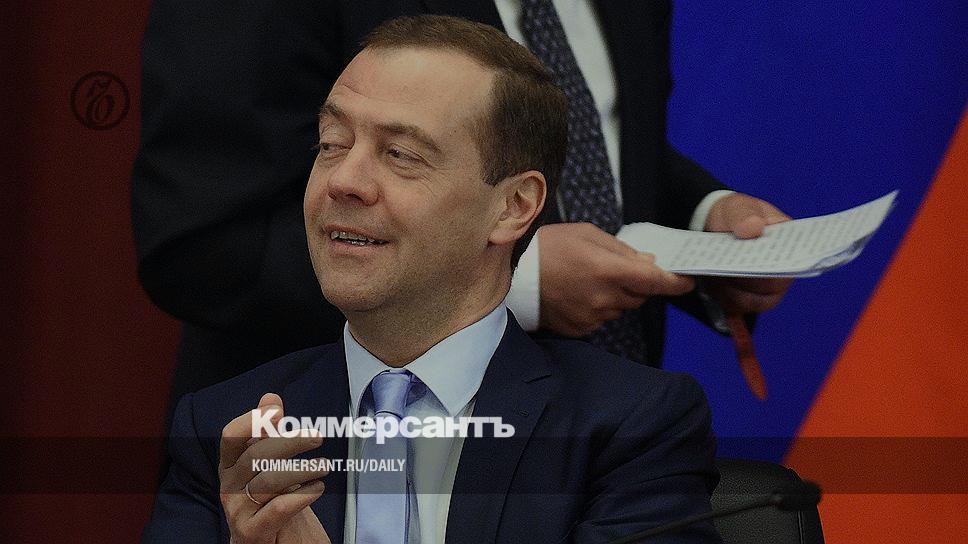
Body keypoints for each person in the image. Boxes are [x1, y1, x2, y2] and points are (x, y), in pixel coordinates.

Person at [142, 16, 721, 543]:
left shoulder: (631, 430)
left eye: (400, 154)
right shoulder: (228, 433)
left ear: (514, 206)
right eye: (331, 145)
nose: (344, 181)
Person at [132, 1, 790, 416]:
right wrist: (516, 280)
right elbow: (203, 244)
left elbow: (597, 134)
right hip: (332, 466)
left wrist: (705, 219)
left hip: (607, 450)